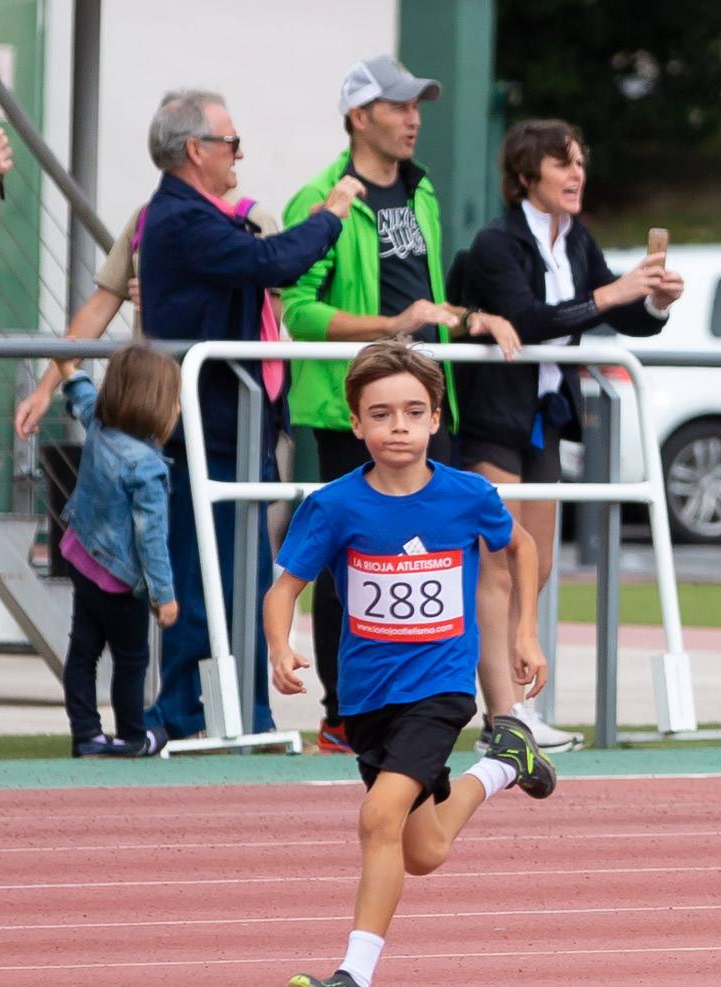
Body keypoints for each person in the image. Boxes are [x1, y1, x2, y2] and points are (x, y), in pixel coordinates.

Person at [272, 342, 552, 987]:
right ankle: (503, 762)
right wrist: (281, 644)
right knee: (421, 850)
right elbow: (286, 588)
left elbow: (520, 546)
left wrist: (525, 632)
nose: (398, 426)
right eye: (381, 413)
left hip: (441, 689)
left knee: (379, 817)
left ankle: (353, 982)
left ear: (435, 419)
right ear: (357, 423)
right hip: (368, 700)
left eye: (413, 412)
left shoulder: (467, 496)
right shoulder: (333, 506)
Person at [284, 56, 526, 752]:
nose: (413, 117)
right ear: (360, 117)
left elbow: (419, 302)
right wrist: (390, 328)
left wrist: (467, 318)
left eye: (418, 104)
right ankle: (342, 715)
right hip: (348, 407)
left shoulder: (422, 194)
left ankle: (454, 709)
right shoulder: (320, 198)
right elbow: (297, 311)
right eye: (397, 105)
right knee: (348, 562)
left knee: (449, 554)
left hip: (423, 401)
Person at [449, 118, 677, 755]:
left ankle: (523, 703)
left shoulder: (577, 240)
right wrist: (612, 294)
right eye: (561, 163)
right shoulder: (497, 243)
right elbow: (528, 319)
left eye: (580, 162)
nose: (577, 174)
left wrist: (654, 300)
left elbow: (622, 314)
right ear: (527, 176)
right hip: (493, 415)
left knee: (536, 565)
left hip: (545, 415)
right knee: (497, 560)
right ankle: (504, 715)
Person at [140, 88, 355, 741]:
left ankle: (240, 712)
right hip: (208, 428)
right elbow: (273, 263)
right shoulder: (181, 219)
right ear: (195, 150)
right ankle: (187, 715)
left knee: (244, 578)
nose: (239, 152)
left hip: (236, 426)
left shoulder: (202, 215)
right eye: (230, 141)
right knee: (207, 577)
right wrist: (332, 214)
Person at [57, 346, 182, 758]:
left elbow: (85, 399)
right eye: (174, 400)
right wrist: (164, 595)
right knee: (131, 659)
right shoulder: (147, 467)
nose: (178, 408)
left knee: (83, 651)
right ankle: (132, 735)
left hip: (81, 557)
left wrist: (70, 371)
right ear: (155, 405)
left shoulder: (100, 426)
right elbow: (151, 538)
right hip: (117, 581)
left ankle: (87, 734)